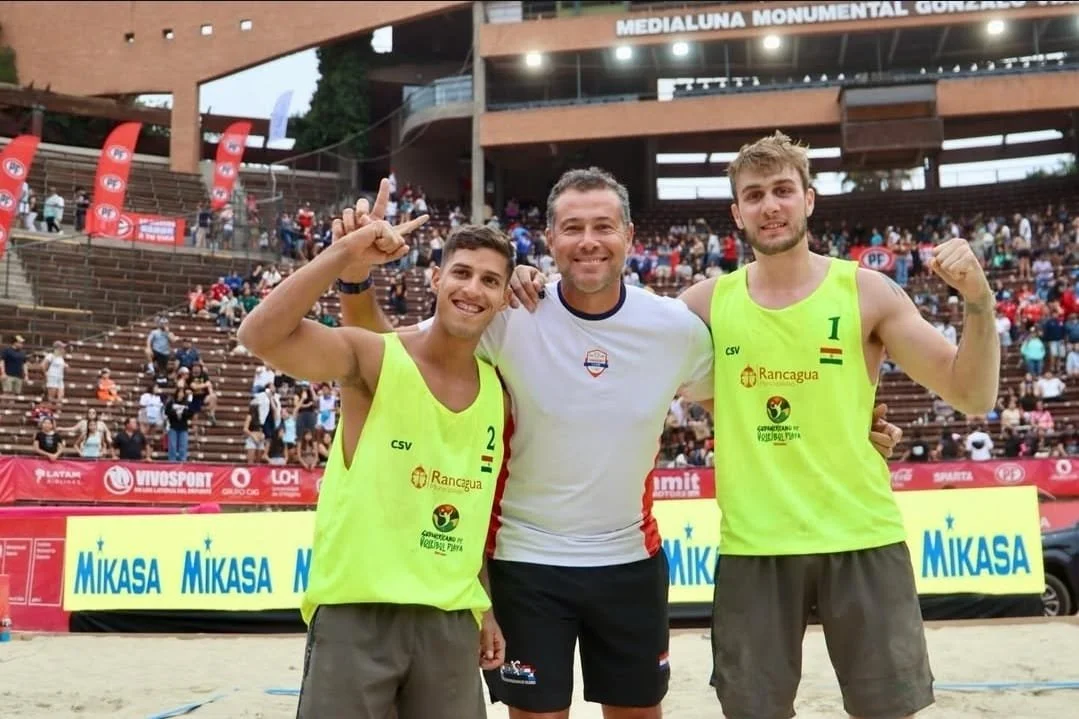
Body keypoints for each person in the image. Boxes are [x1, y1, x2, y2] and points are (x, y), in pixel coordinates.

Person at [336, 175, 902, 719]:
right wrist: (356, 280)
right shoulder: (507, 318)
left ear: (629, 236)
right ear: (550, 240)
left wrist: (856, 425)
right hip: (525, 564)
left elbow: (747, 401)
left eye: (604, 226)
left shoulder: (673, 328)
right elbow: (392, 358)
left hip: (630, 562)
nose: (589, 241)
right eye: (572, 227)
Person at [675, 131, 1000, 719]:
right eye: (754, 195)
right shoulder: (703, 304)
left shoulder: (865, 291)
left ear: (809, 199)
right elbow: (616, 360)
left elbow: (971, 393)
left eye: (782, 190)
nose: (770, 205)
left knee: (886, 710)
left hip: (862, 536)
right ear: (736, 213)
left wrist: (978, 301)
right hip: (755, 545)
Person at [237, 215, 515, 719]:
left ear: (502, 299)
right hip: (357, 615)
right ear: (436, 279)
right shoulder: (375, 358)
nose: (473, 288)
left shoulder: (498, 391)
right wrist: (346, 251)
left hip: (450, 623)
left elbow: (466, 513)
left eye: (490, 280)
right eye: (462, 272)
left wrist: (485, 606)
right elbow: (260, 335)